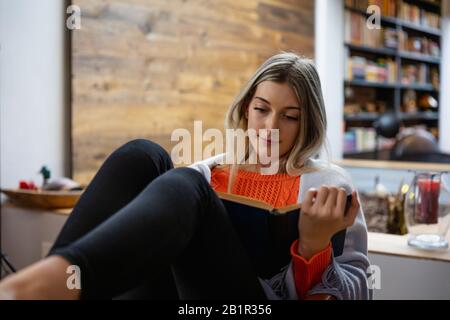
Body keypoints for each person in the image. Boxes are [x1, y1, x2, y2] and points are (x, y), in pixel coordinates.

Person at [0, 52, 371, 300]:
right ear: (246, 110)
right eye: (262, 110)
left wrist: (313, 250)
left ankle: (37, 288)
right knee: (142, 155)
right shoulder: (213, 170)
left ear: (310, 122)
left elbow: (359, 291)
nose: (270, 127)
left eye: (290, 116)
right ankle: (49, 283)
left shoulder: (330, 186)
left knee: (188, 184)